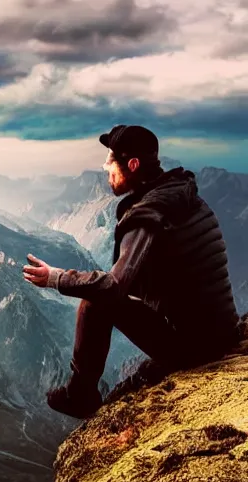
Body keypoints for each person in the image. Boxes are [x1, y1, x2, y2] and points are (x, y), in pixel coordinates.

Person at [23, 125, 242, 419]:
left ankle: (80, 395)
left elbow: (114, 287)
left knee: (96, 302)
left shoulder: (148, 214)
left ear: (133, 165)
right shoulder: (181, 196)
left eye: (110, 161)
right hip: (220, 332)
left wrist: (56, 277)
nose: (105, 168)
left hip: (198, 347)